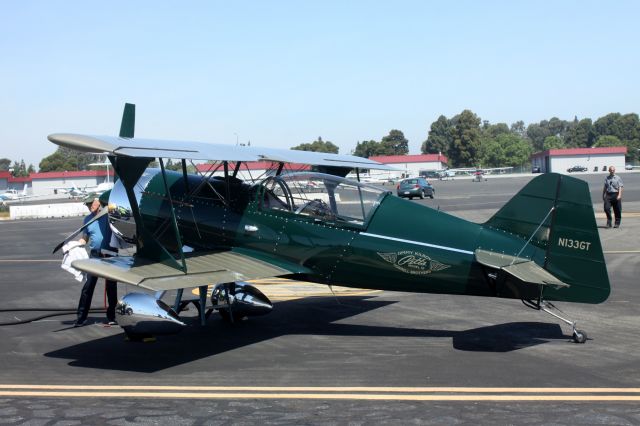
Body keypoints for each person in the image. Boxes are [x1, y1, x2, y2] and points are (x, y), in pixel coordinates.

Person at [74, 192, 118, 327]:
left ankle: (112, 316)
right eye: (87, 204)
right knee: (88, 287)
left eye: (90, 203)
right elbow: (85, 238)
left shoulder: (108, 214)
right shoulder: (87, 220)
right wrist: (76, 244)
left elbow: (116, 208)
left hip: (110, 253)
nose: (89, 206)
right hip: (95, 255)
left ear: (98, 202)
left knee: (111, 287)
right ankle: (81, 317)